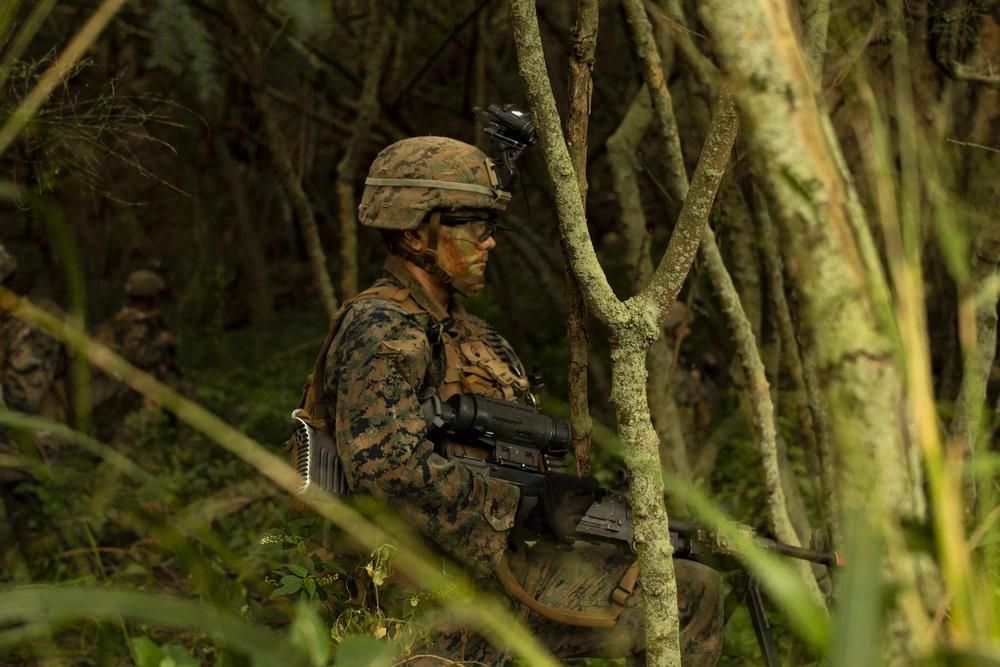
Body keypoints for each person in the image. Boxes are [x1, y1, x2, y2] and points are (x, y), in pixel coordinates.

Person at [292, 136, 724, 665]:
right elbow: (386, 470)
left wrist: (564, 502)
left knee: (688, 589)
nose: (488, 242)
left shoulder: (479, 339)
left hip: (499, 572)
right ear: (412, 232)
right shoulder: (381, 329)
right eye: (472, 225)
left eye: (489, 227)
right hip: (416, 594)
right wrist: (517, 505)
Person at [89, 268, 177, 440]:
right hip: (130, 395)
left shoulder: (122, 319)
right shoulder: (137, 324)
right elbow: (137, 356)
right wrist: (162, 343)